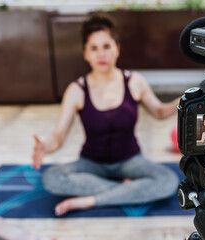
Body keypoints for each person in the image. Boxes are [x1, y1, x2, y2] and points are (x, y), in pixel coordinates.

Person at [31, 15, 180, 216]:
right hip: (91, 164)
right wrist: (45, 147)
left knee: (168, 181)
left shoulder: (134, 81)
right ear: (85, 53)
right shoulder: (76, 89)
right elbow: (59, 136)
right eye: (94, 48)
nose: (101, 54)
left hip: (131, 161)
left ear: (117, 48)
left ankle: (88, 200)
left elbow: (160, 112)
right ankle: (126, 189)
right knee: (52, 178)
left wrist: (180, 102)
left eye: (106, 46)